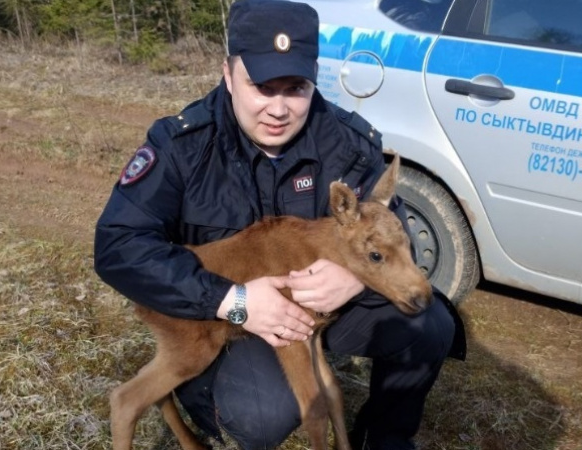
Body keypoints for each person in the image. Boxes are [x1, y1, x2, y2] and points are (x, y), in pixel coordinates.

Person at [94, 0, 466, 448]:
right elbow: (118, 246)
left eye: (295, 88)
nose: (278, 108)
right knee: (264, 415)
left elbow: (387, 220)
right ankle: (213, 405)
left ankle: (382, 440)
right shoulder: (182, 146)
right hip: (221, 315)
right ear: (229, 75)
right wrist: (233, 300)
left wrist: (353, 276)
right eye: (261, 87)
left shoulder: (345, 141)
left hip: (323, 307)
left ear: (314, 83)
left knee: (428, 326)